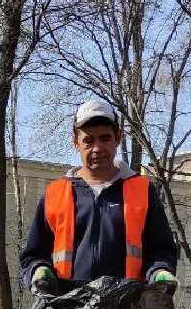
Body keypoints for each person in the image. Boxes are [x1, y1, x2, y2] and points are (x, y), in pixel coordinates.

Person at [21, 100, 178, 291]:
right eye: (88, 140)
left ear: (118, 138)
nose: (97, 148)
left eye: (104, 138)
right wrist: (39, 269)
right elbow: (33, 254)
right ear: (76, 142)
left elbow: (162, 249)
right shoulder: (55, 194)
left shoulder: (143, 191)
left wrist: (160, 270)